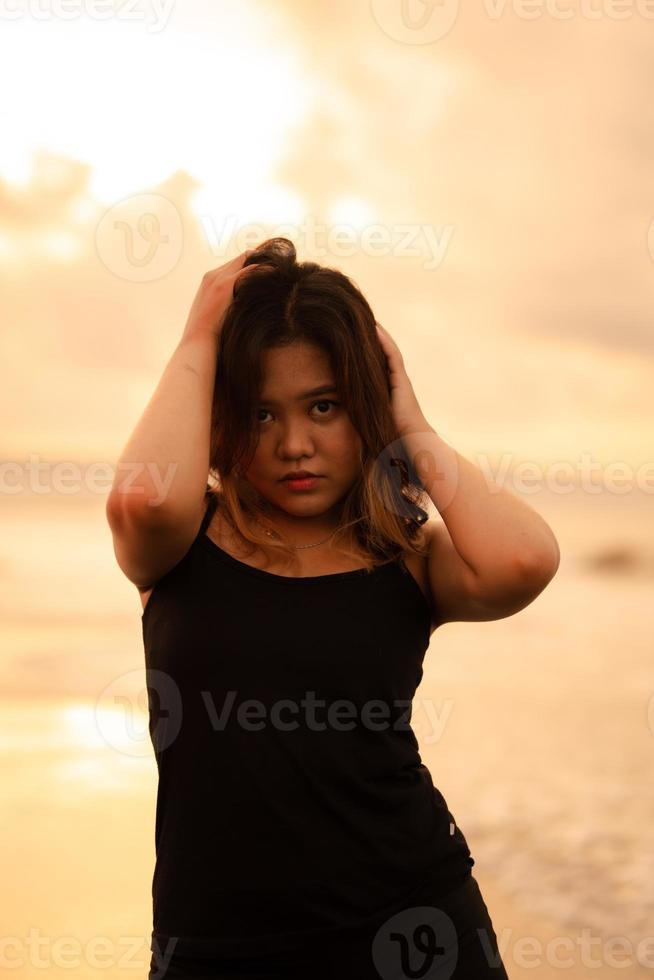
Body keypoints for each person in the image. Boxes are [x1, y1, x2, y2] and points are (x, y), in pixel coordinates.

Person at [106, 238, 559, 979]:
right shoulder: (180, 543)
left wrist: (408, 419)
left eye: (326, 406)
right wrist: (198, 338)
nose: (294, 444)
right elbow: (144, 493)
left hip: (413, 929)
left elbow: (524, 559)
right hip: (218, 946)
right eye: (259, 414)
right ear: (221, 418)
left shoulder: (408, 557)